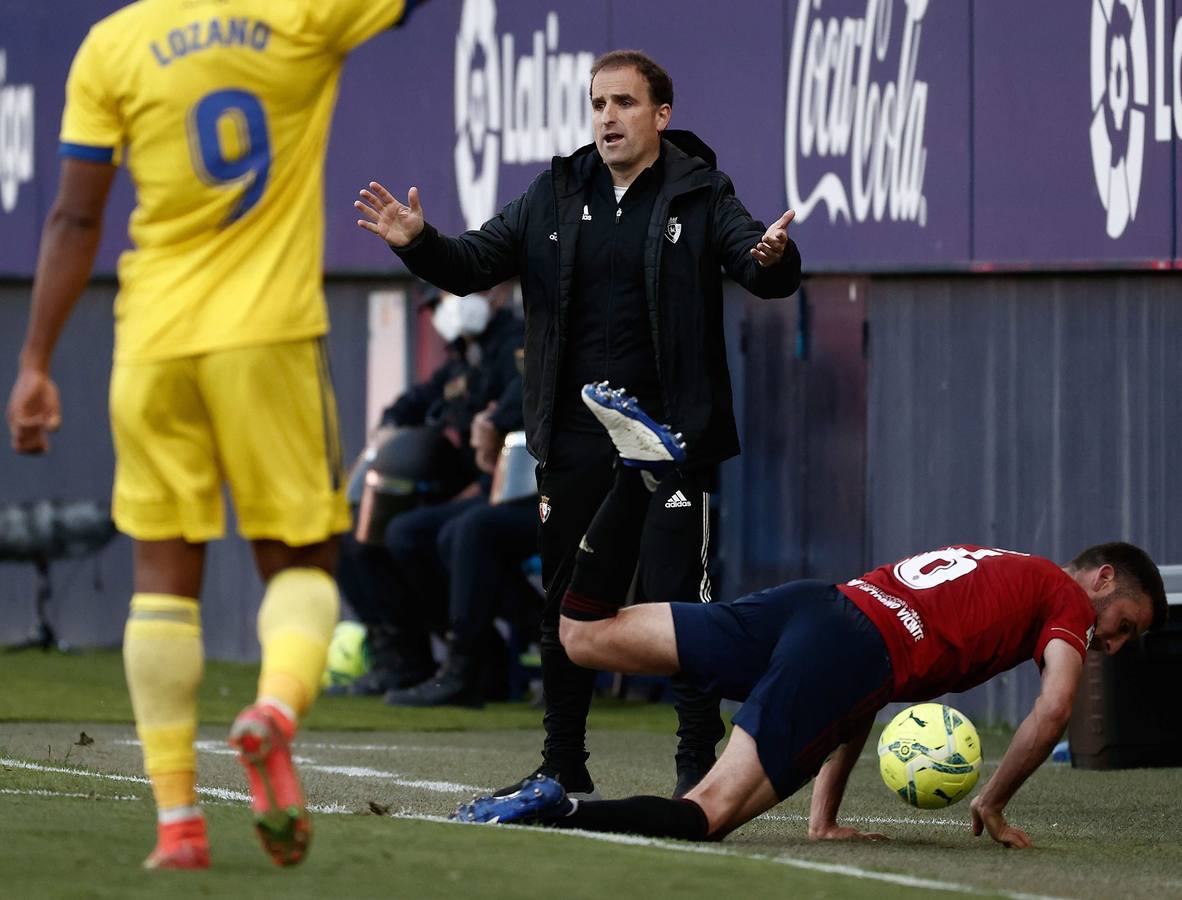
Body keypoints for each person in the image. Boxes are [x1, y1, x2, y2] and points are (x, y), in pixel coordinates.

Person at [5, 0, 425, 871]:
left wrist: (36, 361)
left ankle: (178, 826)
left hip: (152, 342)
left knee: (160, 574)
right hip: (266, 337)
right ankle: (271, 713)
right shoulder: (299, 16)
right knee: (301, 560)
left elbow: (74, 219)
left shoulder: (112, 45)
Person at [355, 49, 802, 798]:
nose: (607, 118)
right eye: (598, 104)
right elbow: (471, 262)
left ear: (661, 115)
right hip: (575, 434)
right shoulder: (555, 193)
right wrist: (418, 243)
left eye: (624, 104)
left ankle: (697, 762)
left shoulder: (700, 191)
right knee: (568, 603)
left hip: (667, 436)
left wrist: (773, 258)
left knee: (679, 604)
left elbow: (758, 266)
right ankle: (564, 761)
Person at [451, 390, 1169, 848]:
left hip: (816, 606)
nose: (1112, 642)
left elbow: (859, 696)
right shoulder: (1068, 602)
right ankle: (556, 810)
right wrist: (995, 799)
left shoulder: (1007, 566)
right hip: (846, 647)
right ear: (1102, 578)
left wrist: (821, 815)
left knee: (583, 635)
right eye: (1124, 624)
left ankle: (635, 476)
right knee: (707, 815)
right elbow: (1052, 712)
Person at [337, 289, 524, 702]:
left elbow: (521, 399)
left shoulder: (515, 341)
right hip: (479, 489)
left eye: (448, 297)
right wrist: (391, 424)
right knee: (368, 534)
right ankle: (405, 659)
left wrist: (494, 420)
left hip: (520, 492)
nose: (444, 310)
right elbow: (422, 397)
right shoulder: (462, 357)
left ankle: (471, 665)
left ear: (495, 296)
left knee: (437, 533)